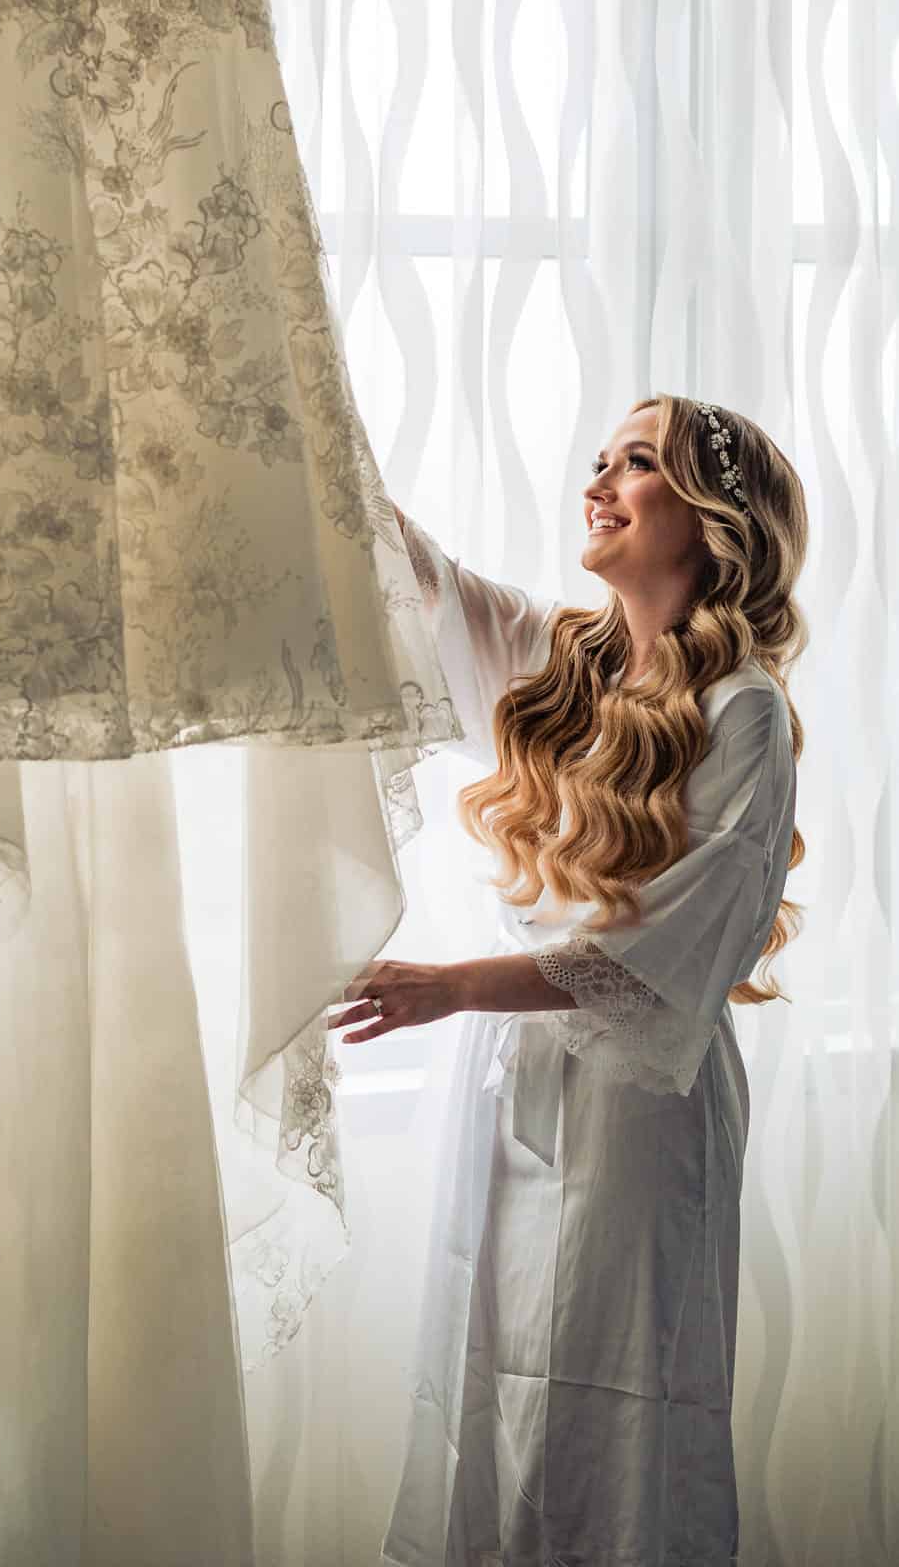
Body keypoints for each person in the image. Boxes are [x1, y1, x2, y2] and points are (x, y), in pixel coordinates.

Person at [327, 391, 806, 1566]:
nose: (596, 482)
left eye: (634, 463)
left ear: (708, 519)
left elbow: (672, 953)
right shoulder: (563, 659)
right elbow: (416, 571)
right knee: (494, 1378)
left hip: (644, 1107)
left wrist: (450, 985)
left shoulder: (743, 713)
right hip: (516, 1085)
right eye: (599, 458)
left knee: (615, 1399)